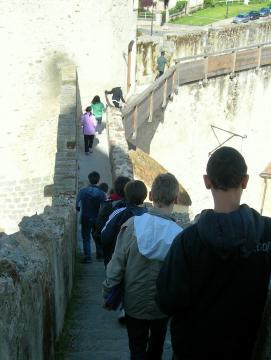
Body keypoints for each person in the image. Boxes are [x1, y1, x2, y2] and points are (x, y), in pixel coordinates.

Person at [156, 147, 271, 360]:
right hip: (248, 349)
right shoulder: (266, 233)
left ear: (207, 181)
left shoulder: (187, 241)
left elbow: (167, 300)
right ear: (245, 181)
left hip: (193, 349)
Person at [103, 173, 183, 359]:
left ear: (151, 197)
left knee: (136, 348)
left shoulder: (132, 226)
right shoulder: (180, 235)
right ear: (176, 199)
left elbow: (116, 266)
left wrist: (108, 292)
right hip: (161, 306)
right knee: (156, 349)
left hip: (134, 301)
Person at [101, 180, 148, 267]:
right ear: (145, 195)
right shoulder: (150, 215)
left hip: (120, 262)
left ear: (127, 195)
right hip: (144, 265)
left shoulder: (119, 212)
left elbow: (105, 236)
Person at [93, 176, 131, 260]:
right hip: (130, 253)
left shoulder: (107, 206)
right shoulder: (135, 208)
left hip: (111, 252)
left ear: (116, 190)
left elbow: (99, 229)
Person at [76, 171, 106, 263]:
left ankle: (88, 257)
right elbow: (105, 207)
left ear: (89, 180)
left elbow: (77, 205)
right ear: (98, 180)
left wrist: (79, 209)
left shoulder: (82, 191)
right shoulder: (102, 193)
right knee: (97, 235)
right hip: (97, 217)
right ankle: (100, 255)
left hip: (86, 217)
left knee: (86, 237)